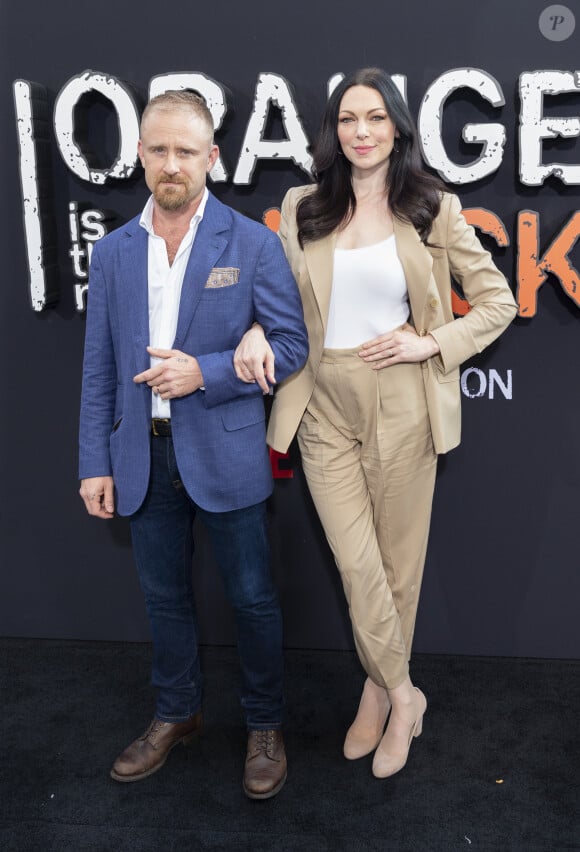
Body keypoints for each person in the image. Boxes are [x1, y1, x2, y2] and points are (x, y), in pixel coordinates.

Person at [234, 68, 517, 779]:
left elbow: (497, 302)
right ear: (334, 130)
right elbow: (278, 300)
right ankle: (404, 692)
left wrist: (432, 342)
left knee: (395, 572)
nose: (362, 132)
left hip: (400, 402)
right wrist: (256, 332)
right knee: (357, 564)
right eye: (349, 119)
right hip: (321, 401)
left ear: (397, 129)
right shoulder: (302, 205)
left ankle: (373, 690)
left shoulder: (431, 207)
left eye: (376, 119)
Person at [78, 90, 308, 800]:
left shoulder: (252, 242)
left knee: (252, 600)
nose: (170, 164)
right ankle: (177, 712)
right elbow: (99, 368)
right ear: (140, 155)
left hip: (228, 454)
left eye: (185, 151)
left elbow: (292, 345)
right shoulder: (115, 251)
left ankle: (265, 726)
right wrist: (95, 461)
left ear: (212, 158)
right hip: (141, 458)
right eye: (158, 150)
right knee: (164, 600)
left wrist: (202, 372)